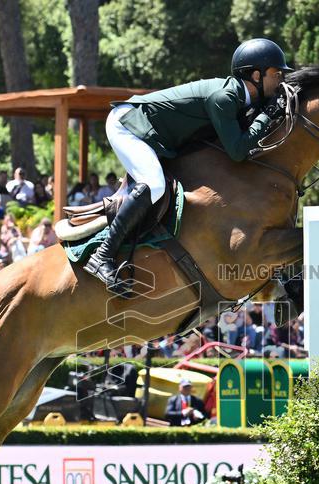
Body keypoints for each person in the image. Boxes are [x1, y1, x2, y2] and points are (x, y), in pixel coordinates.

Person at [86, 38, 292, 295]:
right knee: (154, 185)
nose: (281, 80)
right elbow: (238, 151)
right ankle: (103, 254)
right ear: (256, 75)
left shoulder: (242, 99)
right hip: (128, 125)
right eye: (277, 74)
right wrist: (266, 115)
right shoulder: (225, 97)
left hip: (155, 134)